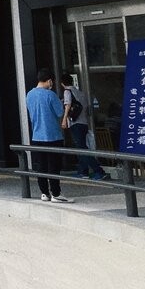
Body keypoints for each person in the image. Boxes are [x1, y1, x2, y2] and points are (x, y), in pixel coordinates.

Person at [26, 68, 72, 203]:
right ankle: (56, 193)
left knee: (41, 166)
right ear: (50, 81)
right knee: (54, 166)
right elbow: (59, 112)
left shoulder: (29, 95)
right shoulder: (50, 95)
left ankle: (44, 193)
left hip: (36, 135)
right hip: (52, 135)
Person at [61, 73, 108, 180]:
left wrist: (64, 119)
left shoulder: (67, 91)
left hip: (75, 123)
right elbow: (85, 107)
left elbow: (68, 105)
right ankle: (83, 171)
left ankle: (99, 171)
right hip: (84, 123)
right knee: (81, 147)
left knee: (81, 148)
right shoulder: (80, 92)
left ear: (62, 83)